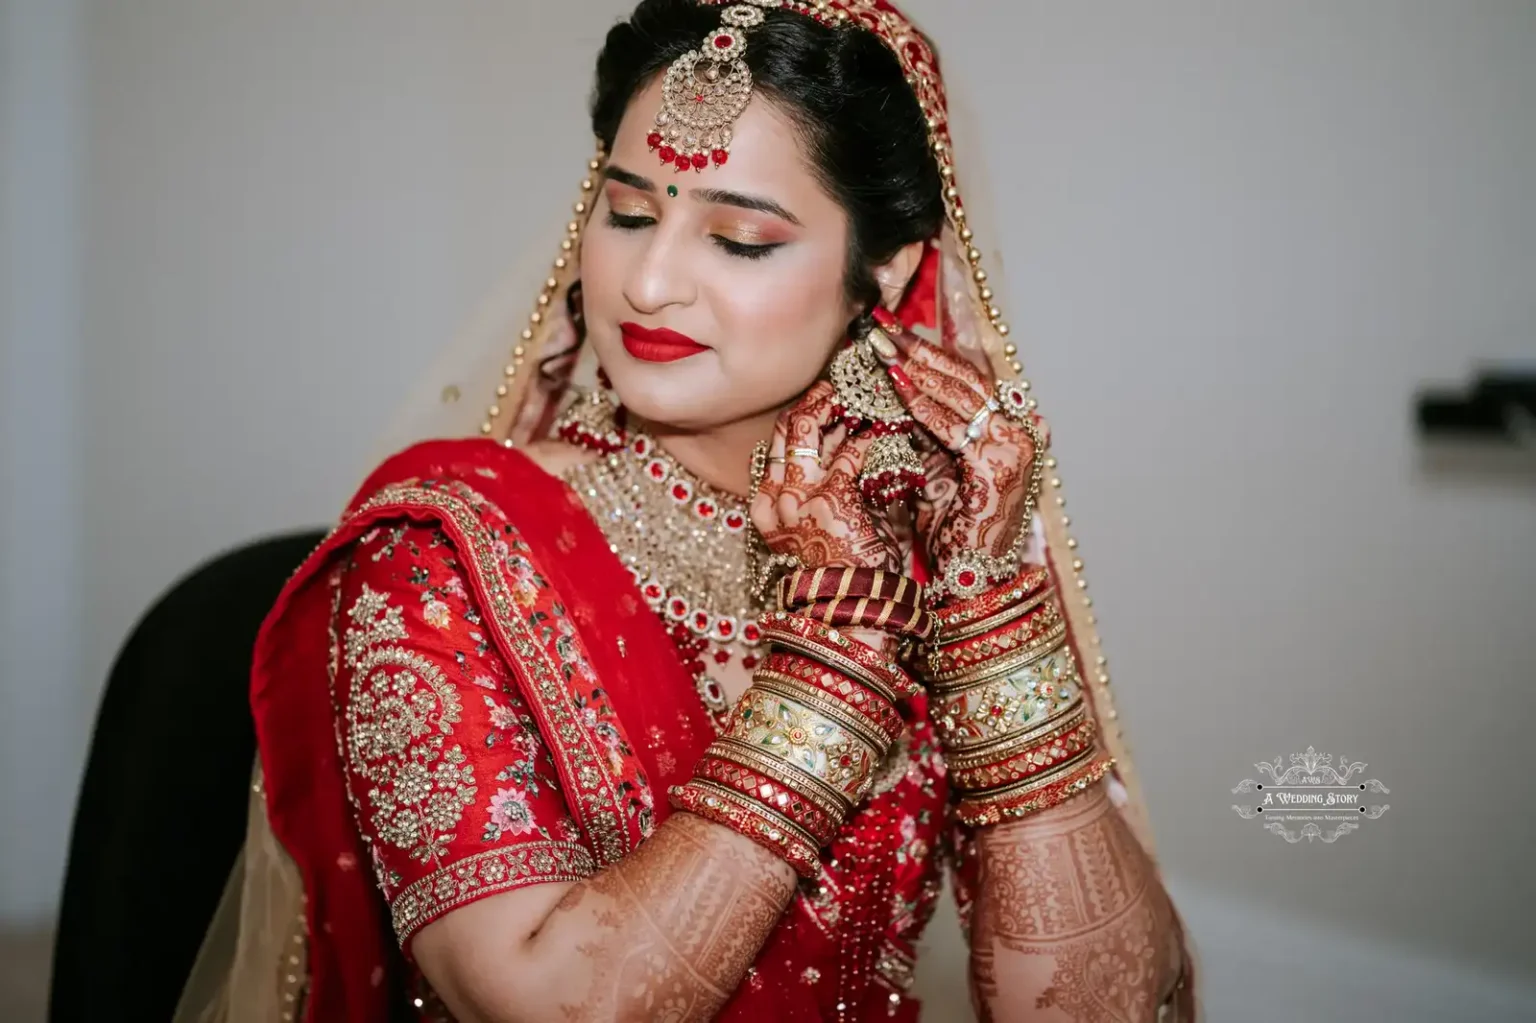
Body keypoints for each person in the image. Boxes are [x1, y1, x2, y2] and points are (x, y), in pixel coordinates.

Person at [176, 1, 1199, 1019]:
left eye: (740, 238)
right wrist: (836, 652)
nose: (651, 282)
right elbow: (539, 1004)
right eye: (626, 214)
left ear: (882, 268)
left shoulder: (933, 535)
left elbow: (1104, 1005)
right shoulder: (441, 554)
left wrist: (989, 606)